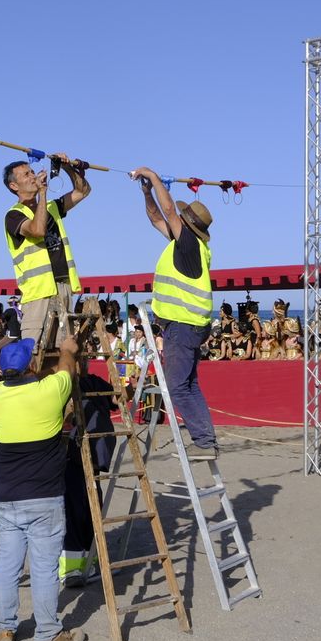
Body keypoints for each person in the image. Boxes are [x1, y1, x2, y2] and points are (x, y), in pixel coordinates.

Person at [0, 332, 87, 641]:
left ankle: (5, 628)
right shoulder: (49, 392)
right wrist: (68, 349)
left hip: (6, 495)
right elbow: (67, 371)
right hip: (43, 496)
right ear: (30, 364)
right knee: (43, 568)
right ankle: (47, 634)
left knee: (7, 563)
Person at [132, 165, 218, 459]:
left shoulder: (190, 245)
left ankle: (205, 442)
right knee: (188, 385)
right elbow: (158, 216)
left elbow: (168, 211)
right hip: (189, 325)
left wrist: (154, 177)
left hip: (183, 326)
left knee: (178, 387)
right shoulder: (184, 244)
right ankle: (206, 439)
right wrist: (146, 193)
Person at [2, 153, 91, 347]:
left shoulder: (52, 207)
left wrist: (67, 167)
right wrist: (43, 194)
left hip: (63, 286)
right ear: (14, 186)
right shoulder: (14, 215)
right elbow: (38, 230)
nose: (33, 176)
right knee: (33, 351)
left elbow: (83, 191)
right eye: (26, 174)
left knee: (63, 350)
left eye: (32, 171)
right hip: (38, 294)